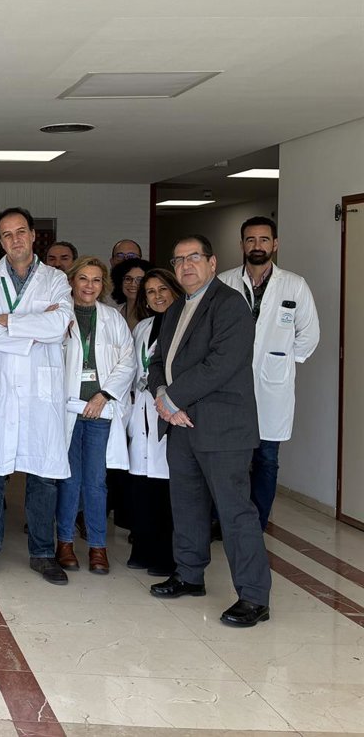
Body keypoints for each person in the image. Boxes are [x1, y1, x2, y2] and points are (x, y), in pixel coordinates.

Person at [149, 235, 271, 627]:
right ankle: (189, 574)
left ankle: (254, 596)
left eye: (194, 257)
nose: (186, 265)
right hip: (181, 425)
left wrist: (173, 398)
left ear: (212, 263)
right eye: (178, 259)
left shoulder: (230, 304)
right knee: (186, 504)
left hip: (222, 427)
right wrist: (162, 395)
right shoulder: (176, 308)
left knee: (235, 512)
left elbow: (222, 363)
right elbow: (158, 361)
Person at [0, 208, 73, 585]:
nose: (15, 240)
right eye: (7, 234)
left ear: (34, 235)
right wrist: (34, 329)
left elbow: (59, 326)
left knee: (43, 476)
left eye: (21, 231)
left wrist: (8, 321)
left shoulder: (56, 279)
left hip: (41, 390)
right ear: (0, 241)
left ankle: (42, 553)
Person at [217, 217, 320, 530]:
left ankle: (256, 523)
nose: (257, 245)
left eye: (264, 239)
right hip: (229, 385)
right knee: (230, 459)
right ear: (242, 245)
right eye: (250, 240)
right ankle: (226, 520)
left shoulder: (294, 285)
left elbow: (309, 334)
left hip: (273, 386)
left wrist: (284, 360)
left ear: (275, 244)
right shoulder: (224, 282)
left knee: (266, 458)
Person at [54, 257, 135, 575]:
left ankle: (98, 546)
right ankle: (64, 542)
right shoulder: (58, 315)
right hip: (67, 409)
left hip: (100, 410)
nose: (89, 285)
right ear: (72, 281)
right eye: (83, 279)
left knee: (96, 482)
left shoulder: (113, 318)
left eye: (96, 280)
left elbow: (128, 361)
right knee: (69, 480)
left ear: (104, 285)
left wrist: (104, 395)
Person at [126, 268, 183, 576]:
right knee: (142, 485)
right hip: (142, 412)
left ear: (174, 290)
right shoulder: (143, 327)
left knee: (167, 488)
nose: (157, 296)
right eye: (150, 291)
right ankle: (143, 549)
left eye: (162, 289)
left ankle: (167, 556)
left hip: (171, 412)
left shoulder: (185, 325)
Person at [111, 258, 149, 330]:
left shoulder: (153, 314)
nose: (133, 284)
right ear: (120, 282)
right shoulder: (114, 313)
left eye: (139, 280)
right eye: (128, 279)